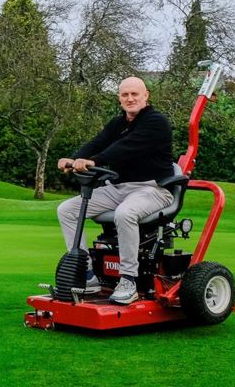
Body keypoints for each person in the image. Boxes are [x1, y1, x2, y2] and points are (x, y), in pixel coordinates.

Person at [56, 76, 174, 304]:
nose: (130, 99)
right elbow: (98, 142)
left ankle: (128, 280)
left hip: (153, 188)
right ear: (119, 98)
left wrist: (94, 161)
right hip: (119, 188)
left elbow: (124, 148)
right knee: (67, 210)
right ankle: (87, 275)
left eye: (134, 94)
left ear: (146, 95)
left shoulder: (156, 122)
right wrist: (74, 158)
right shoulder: (118, 123)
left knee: (124, 213)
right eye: (125, 94)